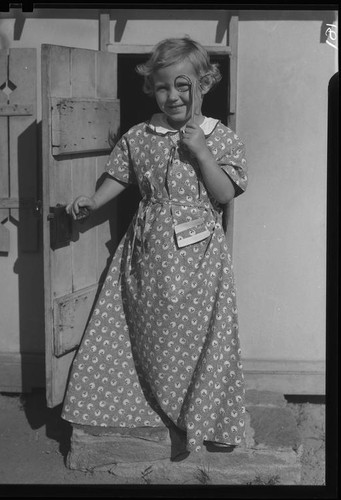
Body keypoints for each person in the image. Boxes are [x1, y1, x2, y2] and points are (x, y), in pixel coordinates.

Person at [61, 37, 248, 457]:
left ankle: (202, 416)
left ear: (205, 83)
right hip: (146, 252)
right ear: (152, 89)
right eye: (163, 87)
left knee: (198, 336)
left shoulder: (221, 138)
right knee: (146, 330)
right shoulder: (140, 135)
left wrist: (201, 152)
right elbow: (119, 177)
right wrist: (93, 200)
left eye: (183, 85)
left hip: (199, 260)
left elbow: (224, 194)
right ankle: (149, 409)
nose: (173, 95)